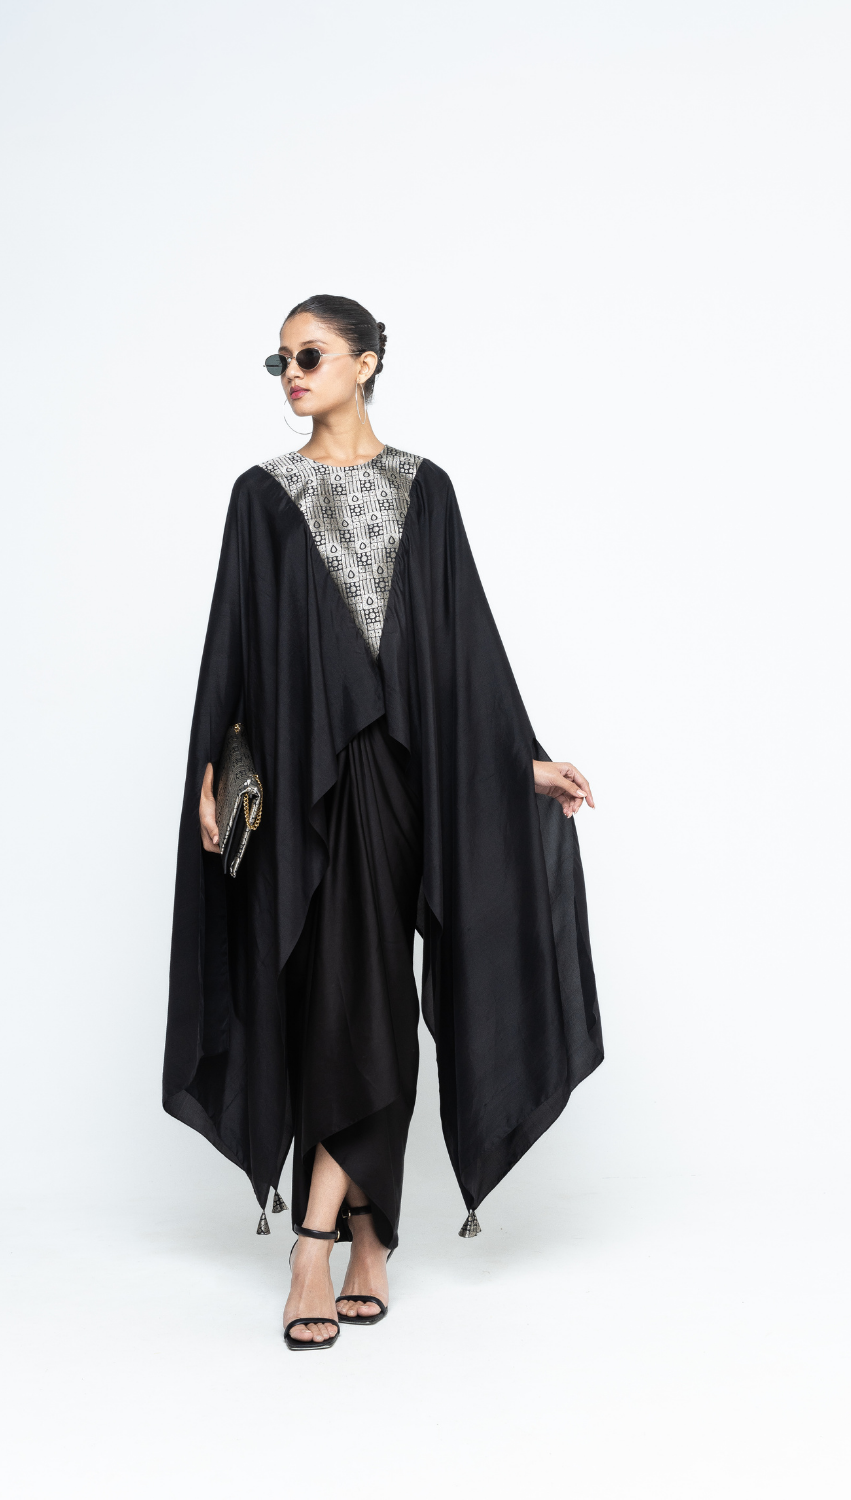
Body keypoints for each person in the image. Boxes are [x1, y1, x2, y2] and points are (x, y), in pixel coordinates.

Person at [163, 295, 601, 1350]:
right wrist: (208, 774)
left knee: (370, 999)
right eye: (279, 360)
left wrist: (521, 760)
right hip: (303, 788)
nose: (291, 373)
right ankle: (364, 1235)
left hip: (405, 784)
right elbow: (233, 641)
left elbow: (465, 647)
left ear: (363, 362)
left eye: (309, 354)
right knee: (338, 1002)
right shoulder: (261, 496)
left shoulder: (424, 488)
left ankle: (320, 1243)